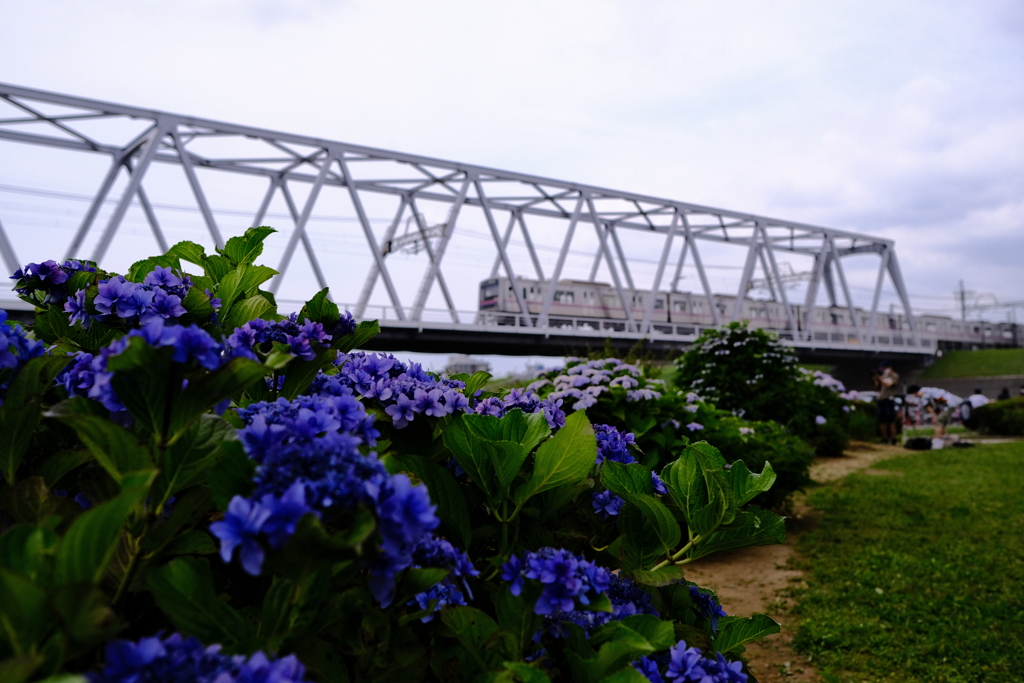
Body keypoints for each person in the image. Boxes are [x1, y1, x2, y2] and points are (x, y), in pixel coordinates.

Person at [872, 361, 901, 445]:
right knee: (882, 420)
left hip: (889, 399)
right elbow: (877, 387)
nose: (883, 370)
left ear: (889, 367)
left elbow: (888, 385)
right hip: (881, 399)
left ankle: (894, 439)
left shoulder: (894, 376)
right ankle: (884, 438)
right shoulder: (883, 376)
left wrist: (879, 378)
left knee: (891, 420)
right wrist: (875, 378)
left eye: (885, 368)